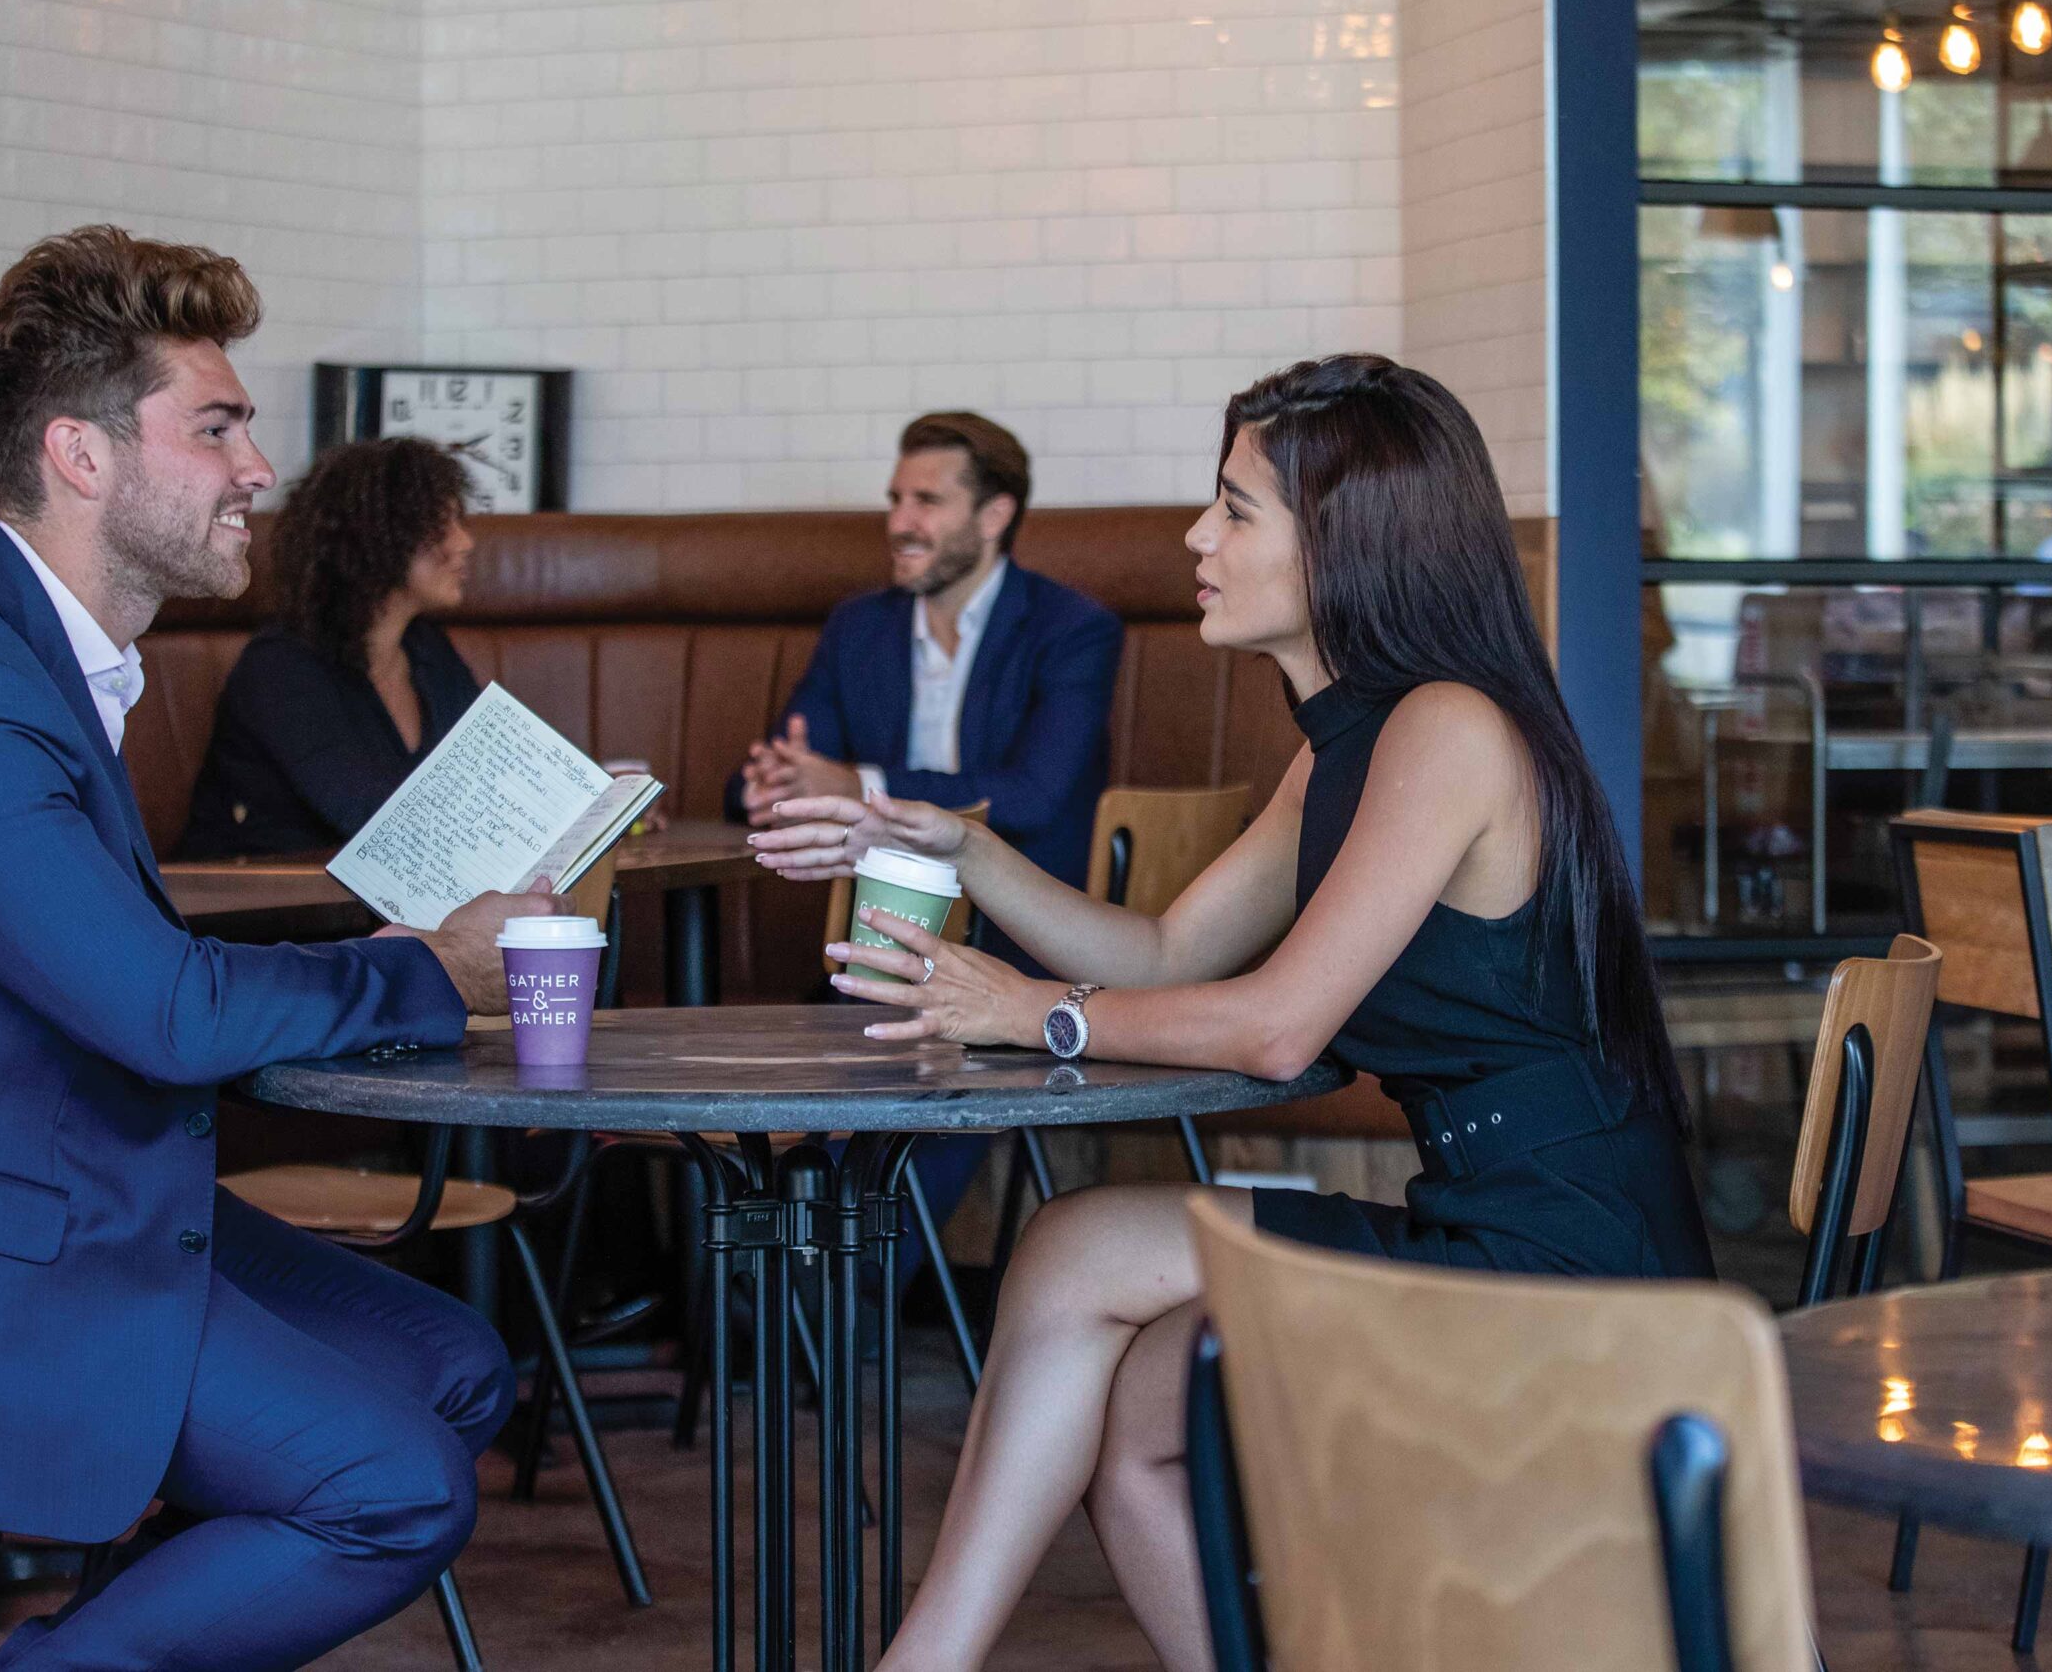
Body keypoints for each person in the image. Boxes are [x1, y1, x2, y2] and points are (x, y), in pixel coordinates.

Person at [750, 355, 1713, 1672]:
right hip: (1479, 1210)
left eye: (1235, 509)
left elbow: (1276, 1027)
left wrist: (1032, 1011)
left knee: (1089, 1271)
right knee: (1141, 1399)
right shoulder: (1346, 743)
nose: (1196, 538)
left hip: (1572, 1261)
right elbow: (1160, 946)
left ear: (1344, 544)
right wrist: (963, 849)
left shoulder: (1450, 729)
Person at [0, 225, 559, 1672]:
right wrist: (431, 968)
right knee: (394, 1486)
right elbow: (161, 1013)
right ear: (81, 456)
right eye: (217, 425)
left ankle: (109, 1639)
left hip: (61, 1189)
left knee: (458, 1368)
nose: (258, 470)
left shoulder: (23, 656)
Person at [730, 411, 1122, 969]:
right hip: (870, 939)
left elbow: (1034, 797)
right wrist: (771, 785)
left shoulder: (1072, 629)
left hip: (1022, 946)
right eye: (895, 500)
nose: (899, 523)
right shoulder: (858, 627)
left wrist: (859, 784)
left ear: (994, 516)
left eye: (926, 502)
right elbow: (781, 761)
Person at [180, 436, 483, 857]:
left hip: (390, 904)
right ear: (377, 538)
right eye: (441, 524)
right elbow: (373, 819)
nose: (464, 543)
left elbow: (482, 775)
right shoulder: (281, 668)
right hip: (267, 906)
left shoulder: (426, 647)